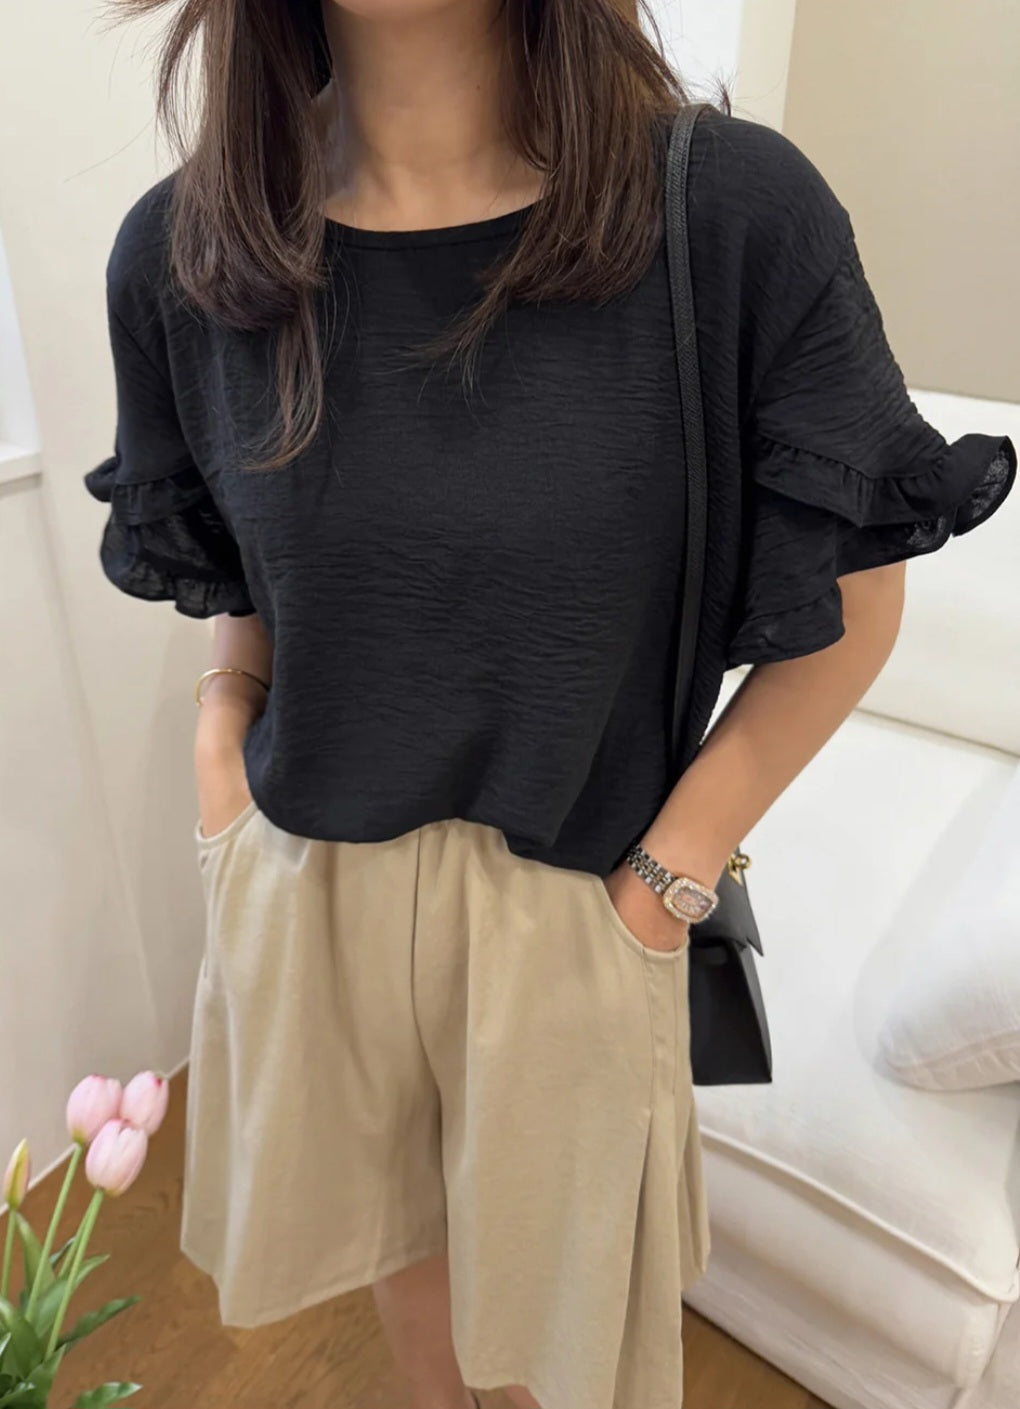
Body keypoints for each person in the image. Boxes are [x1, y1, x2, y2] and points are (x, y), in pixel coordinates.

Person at [82, 1, 1016, 1406]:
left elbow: (857, 601)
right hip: (310, 879)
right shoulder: (186, 254)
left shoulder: (730, 218)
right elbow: (241, 561)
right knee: (403, 1273)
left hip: (574, 902)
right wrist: (227, 727)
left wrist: (667, 878)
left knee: (568, 1352)